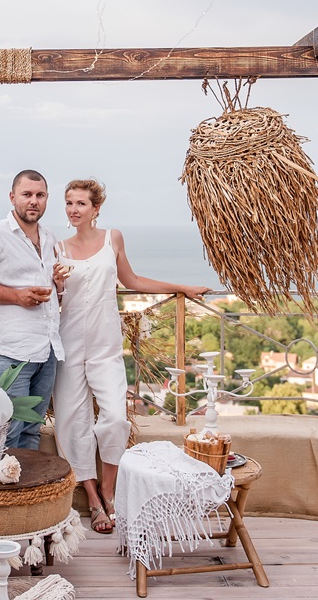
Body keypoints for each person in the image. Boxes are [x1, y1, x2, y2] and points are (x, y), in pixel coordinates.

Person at [53, 179, 209, 534]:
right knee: (71, 424)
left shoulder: (113, 238)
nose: (73, 209)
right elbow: (53, 297)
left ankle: (110, 489)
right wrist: (56, 283)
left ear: (96, 209)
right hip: (69, 344)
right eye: (69, 203)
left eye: (80, 203)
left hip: (106, 345)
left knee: (114, 418)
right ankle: (94, 501)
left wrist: (181, 287)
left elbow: (132, 280)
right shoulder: (56, 247)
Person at [0, 170, 71, 450]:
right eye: (27, 194)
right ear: (13, 197)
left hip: (47, 352)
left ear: (47, 199)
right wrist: (17, 296)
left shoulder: (49, 238)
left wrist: (58, 286)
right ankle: (1, 493)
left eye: (40, 195)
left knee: (32, 432)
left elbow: (52, 296)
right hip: (11, 355)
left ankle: (24, 494)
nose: (33, 201)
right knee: (6, 433)